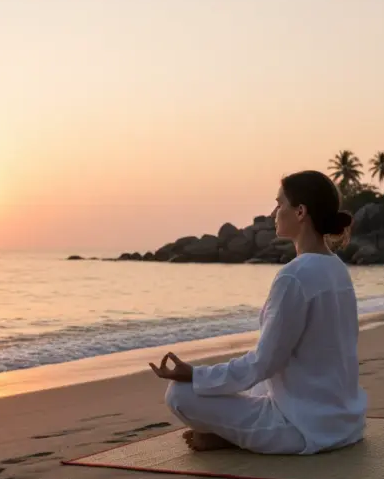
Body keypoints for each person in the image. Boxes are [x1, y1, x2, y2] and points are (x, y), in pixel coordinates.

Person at [150, 170, 367, 455]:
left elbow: (262, 364)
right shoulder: (337, 268)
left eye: (279, 204)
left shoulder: (294, 276)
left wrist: (195, 374)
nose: (274, 213)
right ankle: (230, 433)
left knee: (179, 394)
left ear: (300, 212)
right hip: (344, 421)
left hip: (303, 427)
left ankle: (229, 436)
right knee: (247, 386)